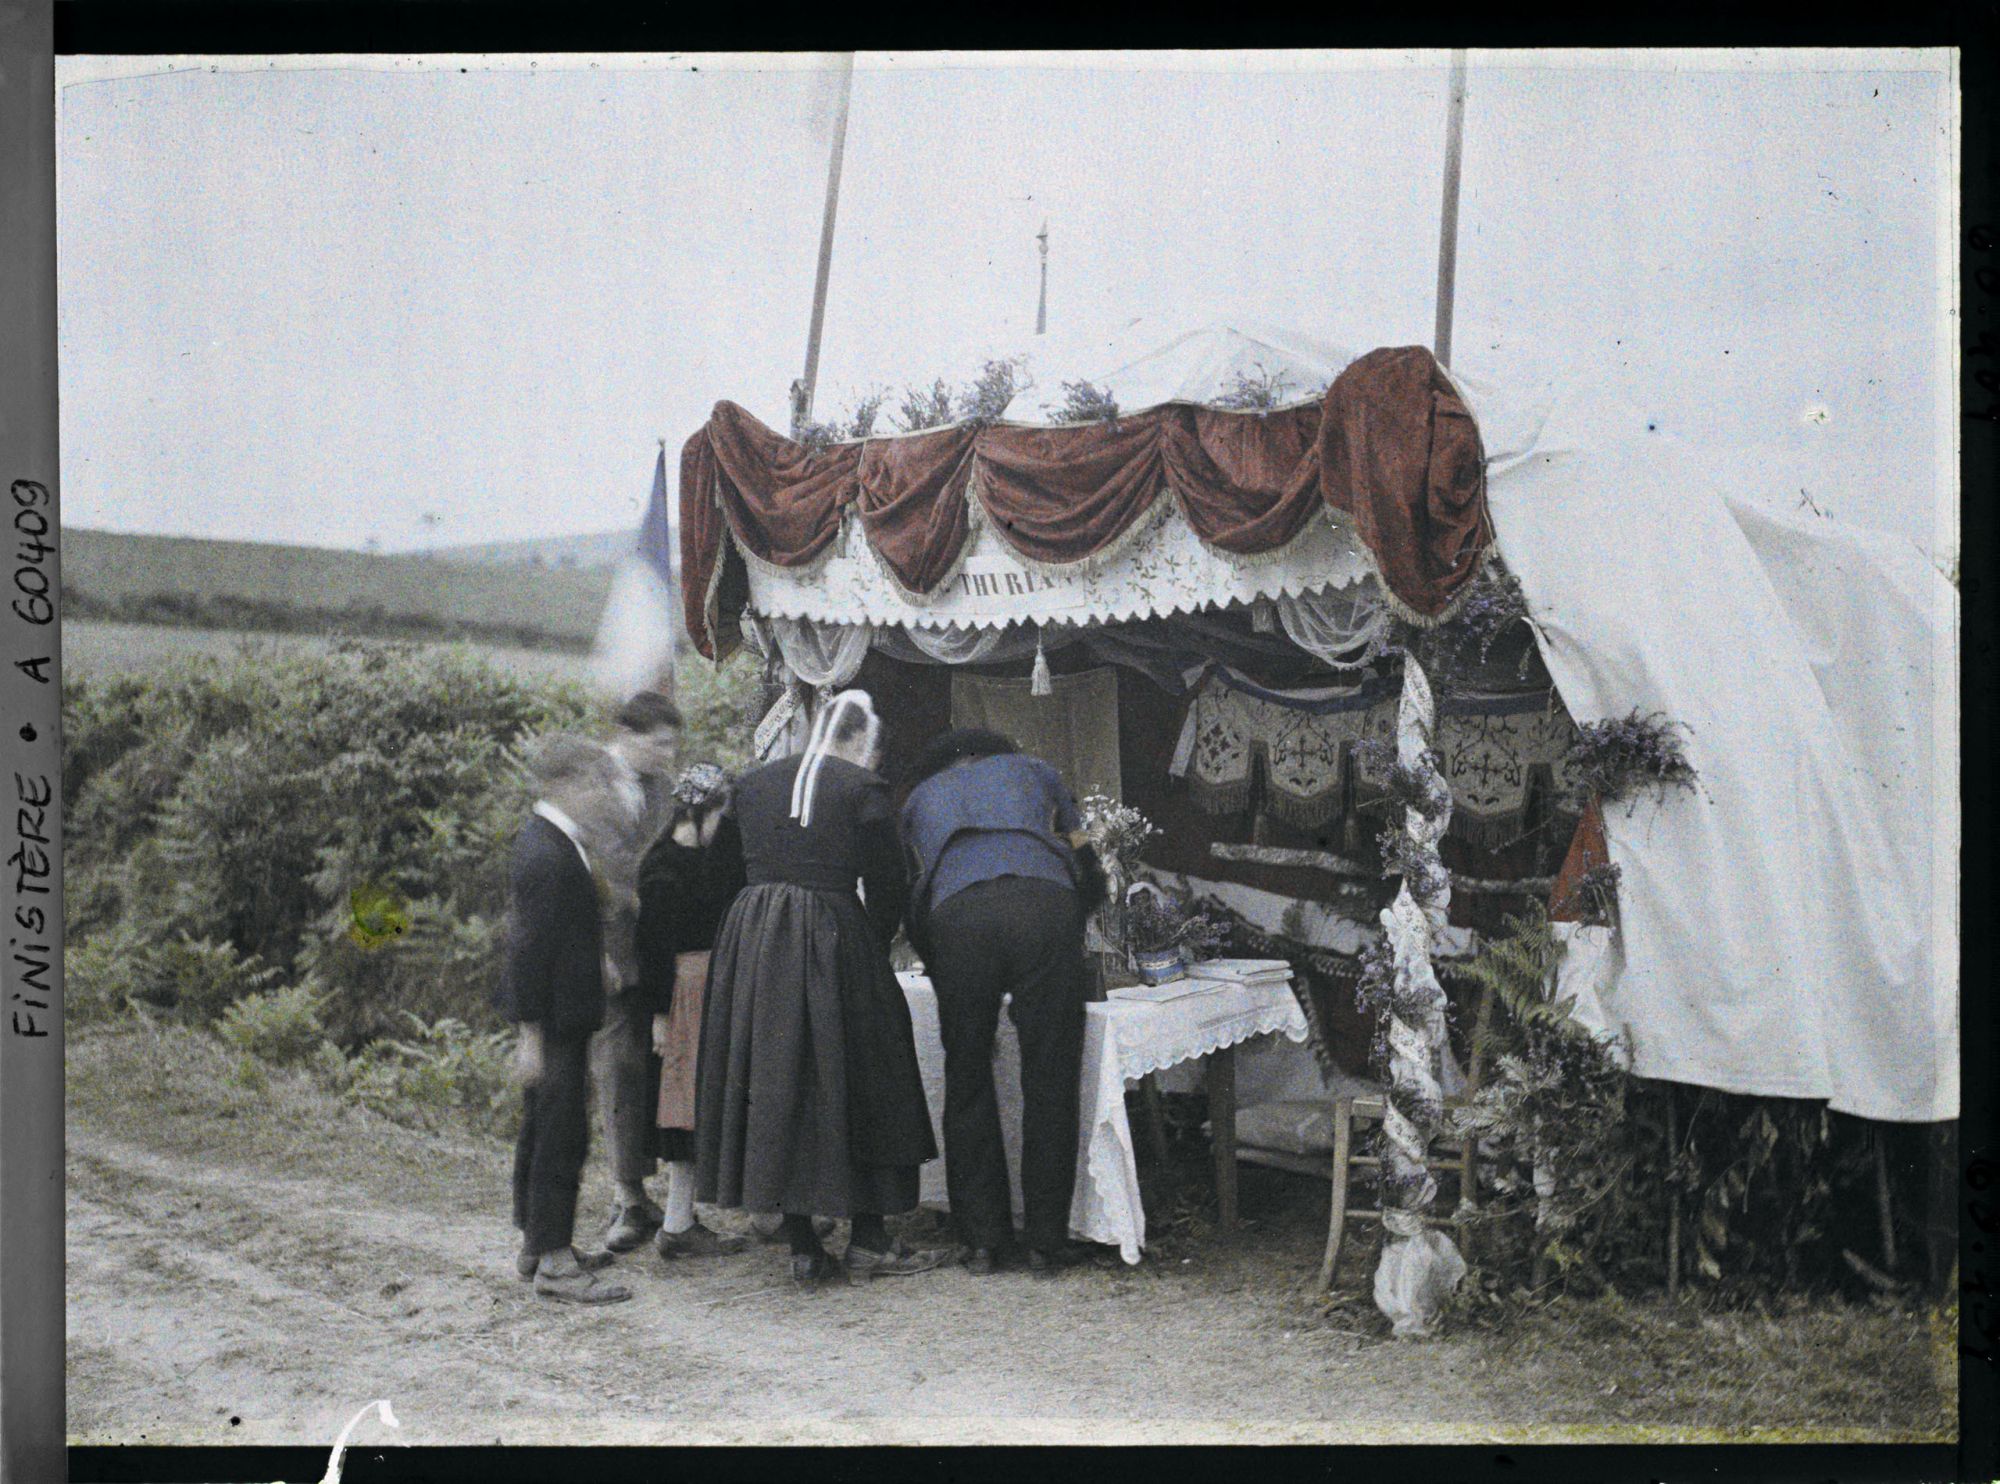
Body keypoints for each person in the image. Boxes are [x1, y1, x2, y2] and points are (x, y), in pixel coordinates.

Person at [694, 690, 950, 1287]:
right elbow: (889, 883)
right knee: (869, 1070)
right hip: (835, 933)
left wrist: (745, 937)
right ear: (862, 741)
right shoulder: (864, 789)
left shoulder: (750, 785)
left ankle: (804, 1244)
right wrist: (870, 942)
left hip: (756, 942)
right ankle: (869, 1239)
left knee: (778, 1076)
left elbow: (719, 876)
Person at [900, 728, 1106, 1277]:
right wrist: (1074, 928)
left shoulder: (919, 798)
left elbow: (913, 894)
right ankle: (1046, 1243)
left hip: (957, 918)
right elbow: (1088, 862)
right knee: (1050, 1074)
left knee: (966, 1075)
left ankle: (982, 1242)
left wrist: (940, 963)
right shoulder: (1038, 771)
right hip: (1044, 905)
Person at [493, 737, 636, 1305]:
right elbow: (527, 950)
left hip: (564, 1012)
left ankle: (539, 1245)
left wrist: (597, 960)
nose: (602, 794)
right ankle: (553, 1261)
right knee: (560, 1134)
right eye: (595, 783)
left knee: (546, 1128)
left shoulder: (555, 840)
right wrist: (529, 1034)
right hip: (553, 1021)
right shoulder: (547, 852)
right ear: (564, 784)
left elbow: (563, 927)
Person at [633, 762, 750, 1260]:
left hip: (714, 985)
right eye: (720, 815)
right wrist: (660, 1016)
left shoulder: (711, 853)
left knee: (714, 1097)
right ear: (699, 813)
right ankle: (677, 1224)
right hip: (684, 994)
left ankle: (753, 1214)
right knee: (684, 1104)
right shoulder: (663, 869)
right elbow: (653, 951)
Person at [592, 691, 685, 1254]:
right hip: (610, 953)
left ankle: (667, 1200)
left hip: (657, 952)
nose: (669, 755)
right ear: (628, 735)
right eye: (661, 744)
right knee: (619, 1070)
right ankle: (627, 1198)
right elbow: (586, 874)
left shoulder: (664, 790)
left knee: (660, 1071)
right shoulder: (591, 786)